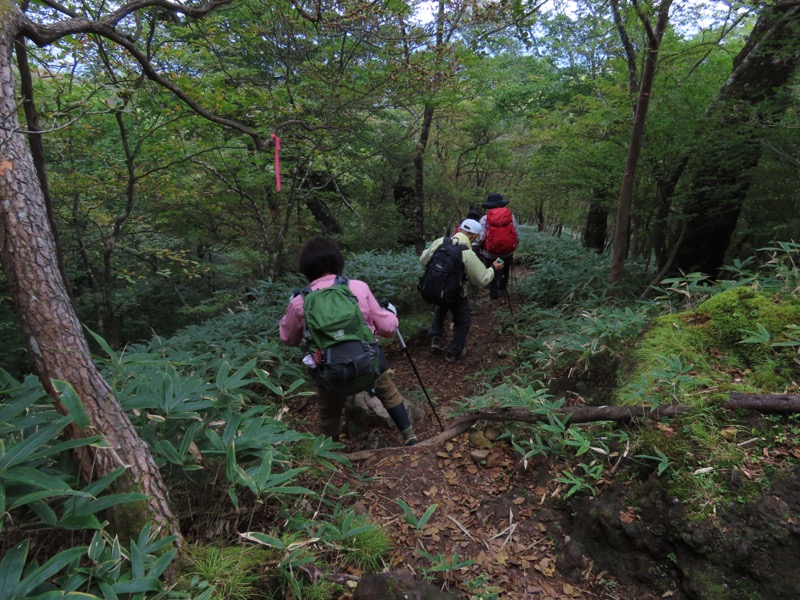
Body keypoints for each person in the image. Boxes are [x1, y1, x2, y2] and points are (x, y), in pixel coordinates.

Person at [279, 237, 418, 446]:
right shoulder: (358, 288)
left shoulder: (301, 302)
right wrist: (390, 313)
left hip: (330, 371)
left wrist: (293, 310)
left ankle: (331, 455)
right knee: (389, 394)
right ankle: (410, 437)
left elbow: (288, 339)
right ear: (337, 261)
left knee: (329, 413)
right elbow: (388, 329)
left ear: (306, 268)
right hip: (367, 362)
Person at [420, 219, 504, 363]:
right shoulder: (466, 253)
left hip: (435, 288)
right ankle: (454, 352)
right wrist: (493, 269)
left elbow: (423, 260)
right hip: (455, 292)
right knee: (462, 320)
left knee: (441, 306)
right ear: (473, 237)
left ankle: (436, 337)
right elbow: (482, 279)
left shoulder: (440, 241)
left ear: (459, 229)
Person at [478, 193, 519, 301]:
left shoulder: (484, 219)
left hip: (490, 253)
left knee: (491, 270)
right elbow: (516, 233)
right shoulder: (511, 217)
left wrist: (479, 247)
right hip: (507, 252)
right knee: (504, 269)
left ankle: (493, 295)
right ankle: (502, 289)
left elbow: (481, 237)